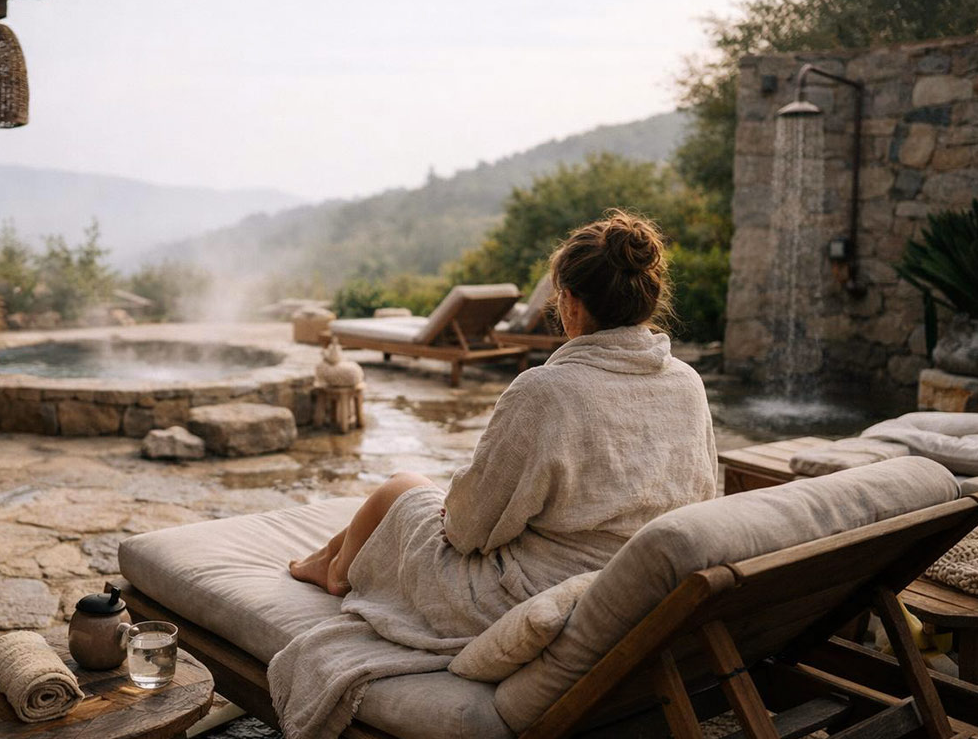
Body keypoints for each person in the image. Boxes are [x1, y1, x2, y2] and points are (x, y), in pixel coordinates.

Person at [288, 210, 717, 640]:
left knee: (401, 487)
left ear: (570, 301)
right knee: (415, 495)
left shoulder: (546, 392)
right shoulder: (687, 384)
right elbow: (700, 497)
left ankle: (336, 571)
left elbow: (466, 531)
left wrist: (457, 507)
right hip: (636, 584)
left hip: (525, 598)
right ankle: (329, 558)